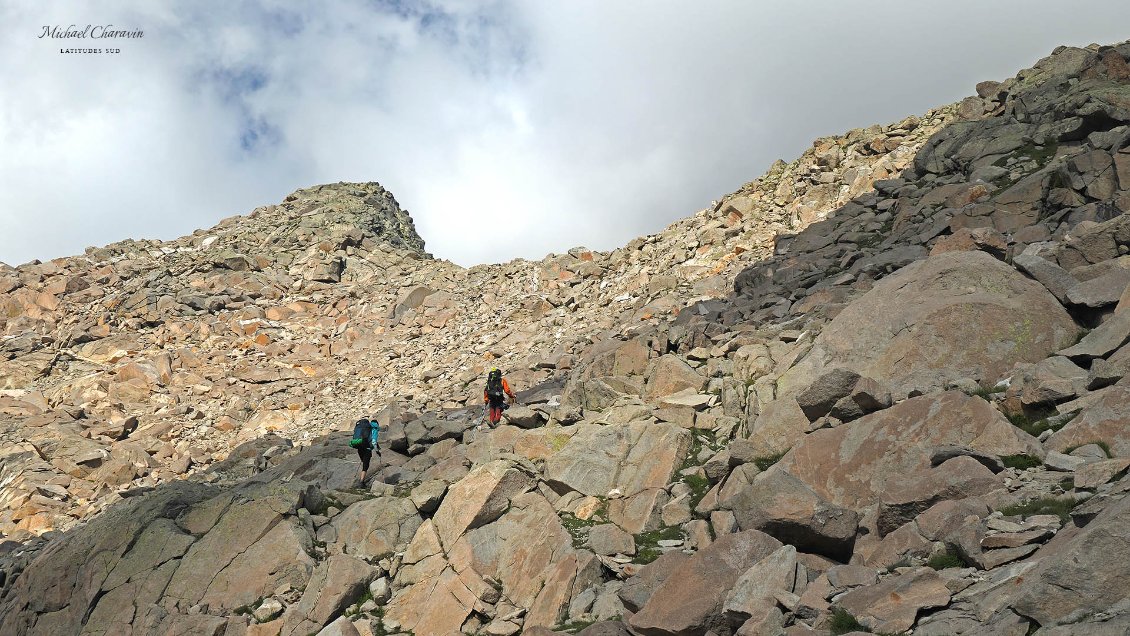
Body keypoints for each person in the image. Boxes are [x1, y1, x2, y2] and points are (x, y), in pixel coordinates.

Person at [349, 417, 380, 486]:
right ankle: (361, 482)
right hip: (367, 448)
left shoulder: (364, 427)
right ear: (377, 424)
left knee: (364, 462)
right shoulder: (374, 429)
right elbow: (374, 441)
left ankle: (360, 480)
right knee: (365, 466)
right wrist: (377, 451)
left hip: (360, 446)